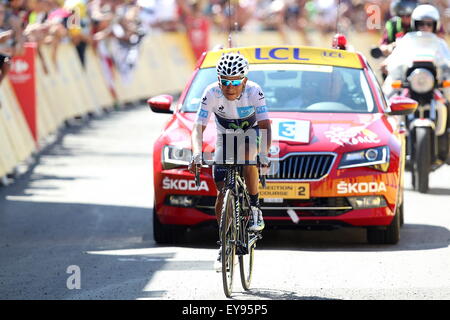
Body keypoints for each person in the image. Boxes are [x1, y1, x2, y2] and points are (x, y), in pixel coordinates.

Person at [188, 52, 271, 268]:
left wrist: (264, 152)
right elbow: (198, 127)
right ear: (219, 80)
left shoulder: (254, 91)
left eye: (235, 81)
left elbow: (265, 126)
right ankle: (225, 242)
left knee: (247, 158)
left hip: (250, 134)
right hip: (225, 137)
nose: (230, 86)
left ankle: (254, 209)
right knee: (222, 189)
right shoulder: (212, 93)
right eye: (225, 81)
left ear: (244, 79)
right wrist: (196, 152)